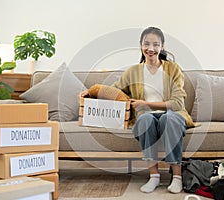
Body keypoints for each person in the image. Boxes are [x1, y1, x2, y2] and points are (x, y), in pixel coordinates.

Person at [81, 26, 194, 194]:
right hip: (146, 116)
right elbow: (115, 91)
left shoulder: (173, 69)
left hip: (173, 115)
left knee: (168, 119)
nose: (151, 49)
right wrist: (91, 91)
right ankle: (154, 176)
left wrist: (145, 104)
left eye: (156, 44)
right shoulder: (133, 71)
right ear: (140, 46)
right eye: (146, 44)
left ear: (162, 46)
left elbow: (177, 104)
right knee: (144, 120)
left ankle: (176, 177)